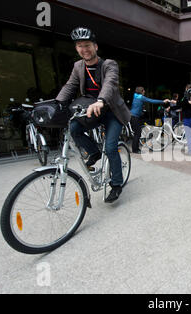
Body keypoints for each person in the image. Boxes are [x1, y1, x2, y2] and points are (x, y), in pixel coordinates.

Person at [56, 27, 131, 203]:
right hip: (91, 110)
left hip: (111, 111)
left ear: (95, 47)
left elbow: (110, 84)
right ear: (77, 49)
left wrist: (101, 100)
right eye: (80, 46)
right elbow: (70, 86)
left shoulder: (109, 65)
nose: (84, 49)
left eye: (88, 45)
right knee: (73, 129)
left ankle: (117, 184)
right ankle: (94, 152)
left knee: (111, 148)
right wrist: (57, 103)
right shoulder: (78, 66)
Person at [130, 86, 170, 154]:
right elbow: (151, 101)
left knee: (138, 131)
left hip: (133, 116)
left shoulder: (135, 96)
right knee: (137, 133)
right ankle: (135, 149)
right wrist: (163, 101)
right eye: (144, 90)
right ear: (141, 91)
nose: (144, 91)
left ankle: (136, 147)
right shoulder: (141, 97)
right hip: (135, 117)